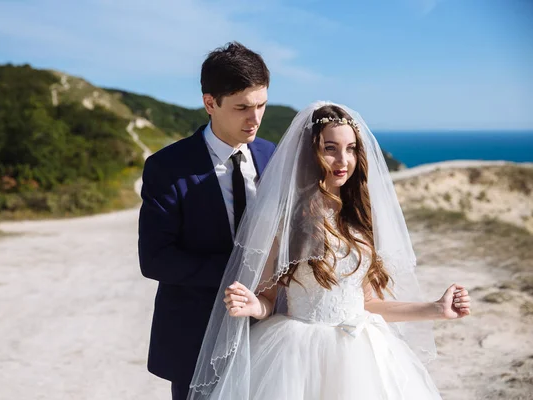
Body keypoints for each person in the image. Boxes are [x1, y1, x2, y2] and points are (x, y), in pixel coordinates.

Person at [188, 102, 472, 399]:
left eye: (351, 149)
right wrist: (252, 306)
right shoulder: (286, 220)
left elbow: (369, 303)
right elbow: (268, 300)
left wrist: (436, 309)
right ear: (310, 152)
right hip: (297, 356)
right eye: (330, 148)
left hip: (363, 353)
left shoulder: (360, 218)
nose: (343, 160)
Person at [138, 42, 276, 400]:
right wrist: (238, 275)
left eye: (261, 105)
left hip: (269, 330)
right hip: (196, 339)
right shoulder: (166, 167)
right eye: (242, 107)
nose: (255, 118)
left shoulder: (273, 154)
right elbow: (155, 259)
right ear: (210, 103)